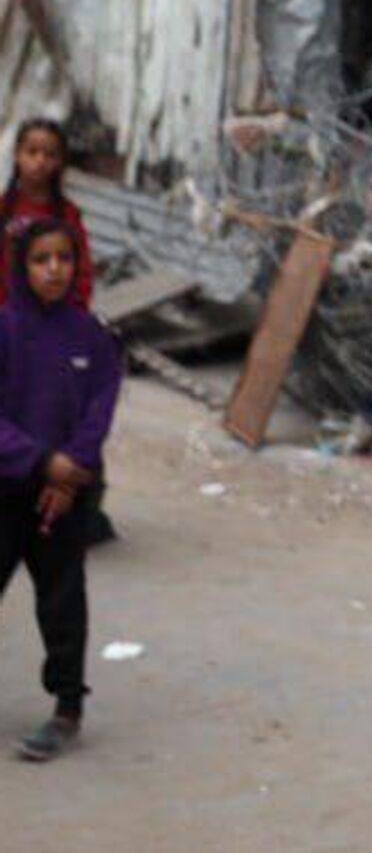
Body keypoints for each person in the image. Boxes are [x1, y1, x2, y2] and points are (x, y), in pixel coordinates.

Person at [0, 218, 121, 762]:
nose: (54, 270)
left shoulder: (91, 336)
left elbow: (99, 410)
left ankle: (67, 709)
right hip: (7, 487)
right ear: (21, 267)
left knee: (62, 600)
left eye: (64, 259)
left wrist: (70, 473)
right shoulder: (6, 330)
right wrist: (42, 462)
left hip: (65, 495)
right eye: (41, 260)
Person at [0, 120, 94, 310]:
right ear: (17, 154)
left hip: (52, 317)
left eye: (50, 154)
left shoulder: (68, 215)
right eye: (32, 152)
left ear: (60, 161)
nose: (40, 161)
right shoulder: (4, 209)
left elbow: (82, 274)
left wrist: (70, 312)